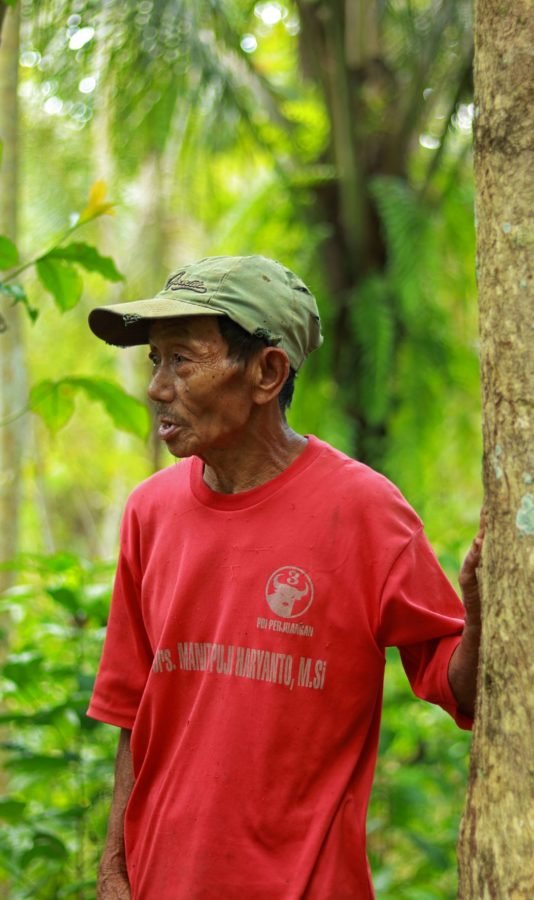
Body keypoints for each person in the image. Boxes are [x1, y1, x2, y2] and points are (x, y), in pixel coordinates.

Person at [87, 255, 483, 899]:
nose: (158, 387)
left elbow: (459, 685)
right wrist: (114, 872)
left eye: (182, 360)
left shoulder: (364, 511)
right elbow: (134, 709)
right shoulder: (149, 512)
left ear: (267, 372)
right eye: (154, 360)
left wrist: (483, 608)